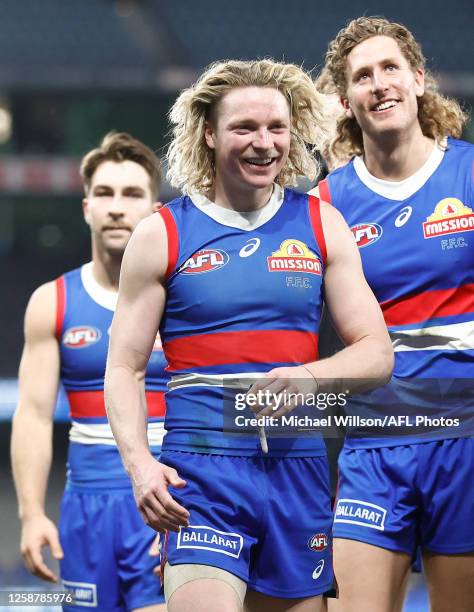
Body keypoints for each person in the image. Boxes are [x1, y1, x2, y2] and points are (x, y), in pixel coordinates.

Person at [105, 59, 393, 612]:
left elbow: (378, 354)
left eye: (277, 128)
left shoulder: (321, 224)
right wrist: (140, 466)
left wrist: (311, 376)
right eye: (245, 128)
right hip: (201, 474)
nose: (265, 144)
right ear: (209, 133)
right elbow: (125, 367)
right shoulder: (161, 232)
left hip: (299, 470)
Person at [312, 16, 474, 612]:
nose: (379, 84)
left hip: (468, 441)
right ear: (347, 101)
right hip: (374, 445)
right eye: (362, 77)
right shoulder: (327, 202)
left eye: (390, 69)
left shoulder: (470, 173)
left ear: (419, 80)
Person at [11, 132, 168, 611]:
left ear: (155, 209)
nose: (116, 208)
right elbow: (34, 416)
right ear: (86, 208)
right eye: (104, 194)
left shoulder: (184, 301)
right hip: (87, 508)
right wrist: (33, 513)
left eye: (131, 194)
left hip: (168, 500)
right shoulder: (52, 303)